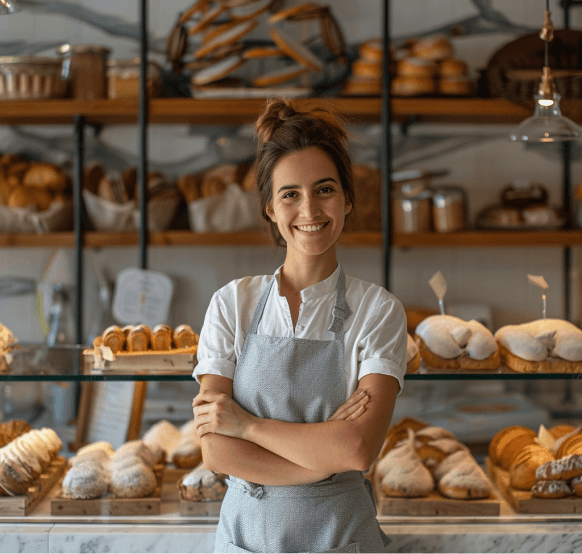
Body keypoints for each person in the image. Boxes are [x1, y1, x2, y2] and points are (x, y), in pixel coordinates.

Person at [192, 98, 407, 554]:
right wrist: (317, 464)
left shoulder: (379, 312)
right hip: (247, 536)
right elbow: (216, 452)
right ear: (270, 208)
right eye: (290, 194)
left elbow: (356, 450)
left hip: (342, 537)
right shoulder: (232, 304)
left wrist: (246, 426)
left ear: (348, 199)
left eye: (324, 189)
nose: (309, 209)